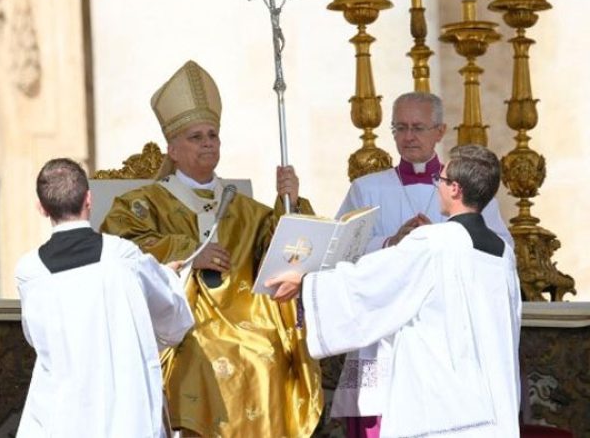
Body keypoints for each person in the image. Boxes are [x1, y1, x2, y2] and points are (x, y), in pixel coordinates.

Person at [101, 61, 322, 437]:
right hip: (182, 325)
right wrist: (188, 253)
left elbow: (283, 251)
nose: (207, 143)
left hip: (246, 320)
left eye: (212, 135)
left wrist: (290, 202)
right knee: (205, 352)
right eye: (196, 137)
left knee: (265, 350)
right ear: (172, 148)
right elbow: (122, 251)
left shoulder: (244, 208)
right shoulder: (143, 204)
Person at [267, 144, 522, 438]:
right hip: (494, 407)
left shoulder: (434, 242)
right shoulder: (503, 253)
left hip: (443, 410)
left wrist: (308, 282)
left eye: (440, 180)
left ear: (455, 189)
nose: (436, 185)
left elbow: (371, 283)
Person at [332, 91, 513, 437]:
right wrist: (390, 243)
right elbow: (339, 252)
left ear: (440, 131)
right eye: (400, 128)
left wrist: (446, 240)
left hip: (444, 338)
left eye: (417, 127)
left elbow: (502, 249)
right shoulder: (366, 188)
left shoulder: (466, 189)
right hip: (381, 336)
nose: (408, 136)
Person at [15, 158, 194, 438]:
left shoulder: (29, 271)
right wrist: (168, 276)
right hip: (125, 413)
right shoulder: (123, 256)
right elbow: (174, 320)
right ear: (89, 198)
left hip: (62, 414)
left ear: (41, 208)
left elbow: (35, 337)